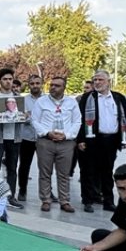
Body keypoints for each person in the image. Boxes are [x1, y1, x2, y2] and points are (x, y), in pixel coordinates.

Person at [77, 71, 126, 213]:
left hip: (111, 140)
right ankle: (87, 200)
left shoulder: (118, 97)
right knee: (88, 171)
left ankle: (108, 201)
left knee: (107, 172)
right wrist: (80, 139)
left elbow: (124, 118)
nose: (97, 82)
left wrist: (124, 138)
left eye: (100, 79)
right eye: (95, 80)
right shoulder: (88, 97)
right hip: (92, 139)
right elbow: (80, 119)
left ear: (108, 81)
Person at [32, 76, 81, 213]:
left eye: (57, 85)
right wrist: (47, 133)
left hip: (65, 143)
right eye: (51, 85)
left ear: (64, 88)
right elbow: (35, 121)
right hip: (46, 142)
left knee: (64, 174)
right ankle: (46, 200)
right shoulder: (41, 102)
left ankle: (64, 201)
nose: (53, 87)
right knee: (45, 173)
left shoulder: (71, 103)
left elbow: (77, 121)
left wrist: (67, 135)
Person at [0, 68, 25, 210]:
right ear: (0, 81)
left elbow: (24, 118)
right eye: (5, 79)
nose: (8, 82)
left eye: (10, 79)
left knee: (12, 168)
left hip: (14, 137)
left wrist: (25, 116)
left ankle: (11, 196)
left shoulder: (19, 99)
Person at [17, 75, 43, 201]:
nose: (35, 86)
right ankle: (22, 190)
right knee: (24, 165)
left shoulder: (47, 100)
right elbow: (21, 117)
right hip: (26, 137)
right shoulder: (23, 100)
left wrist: (30, 117)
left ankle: (47, 192)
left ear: (41, 84)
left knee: (45, 167)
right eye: (32, 83)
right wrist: (30, 117)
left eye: (37, 83)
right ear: (29, 85)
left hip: (43, 137)